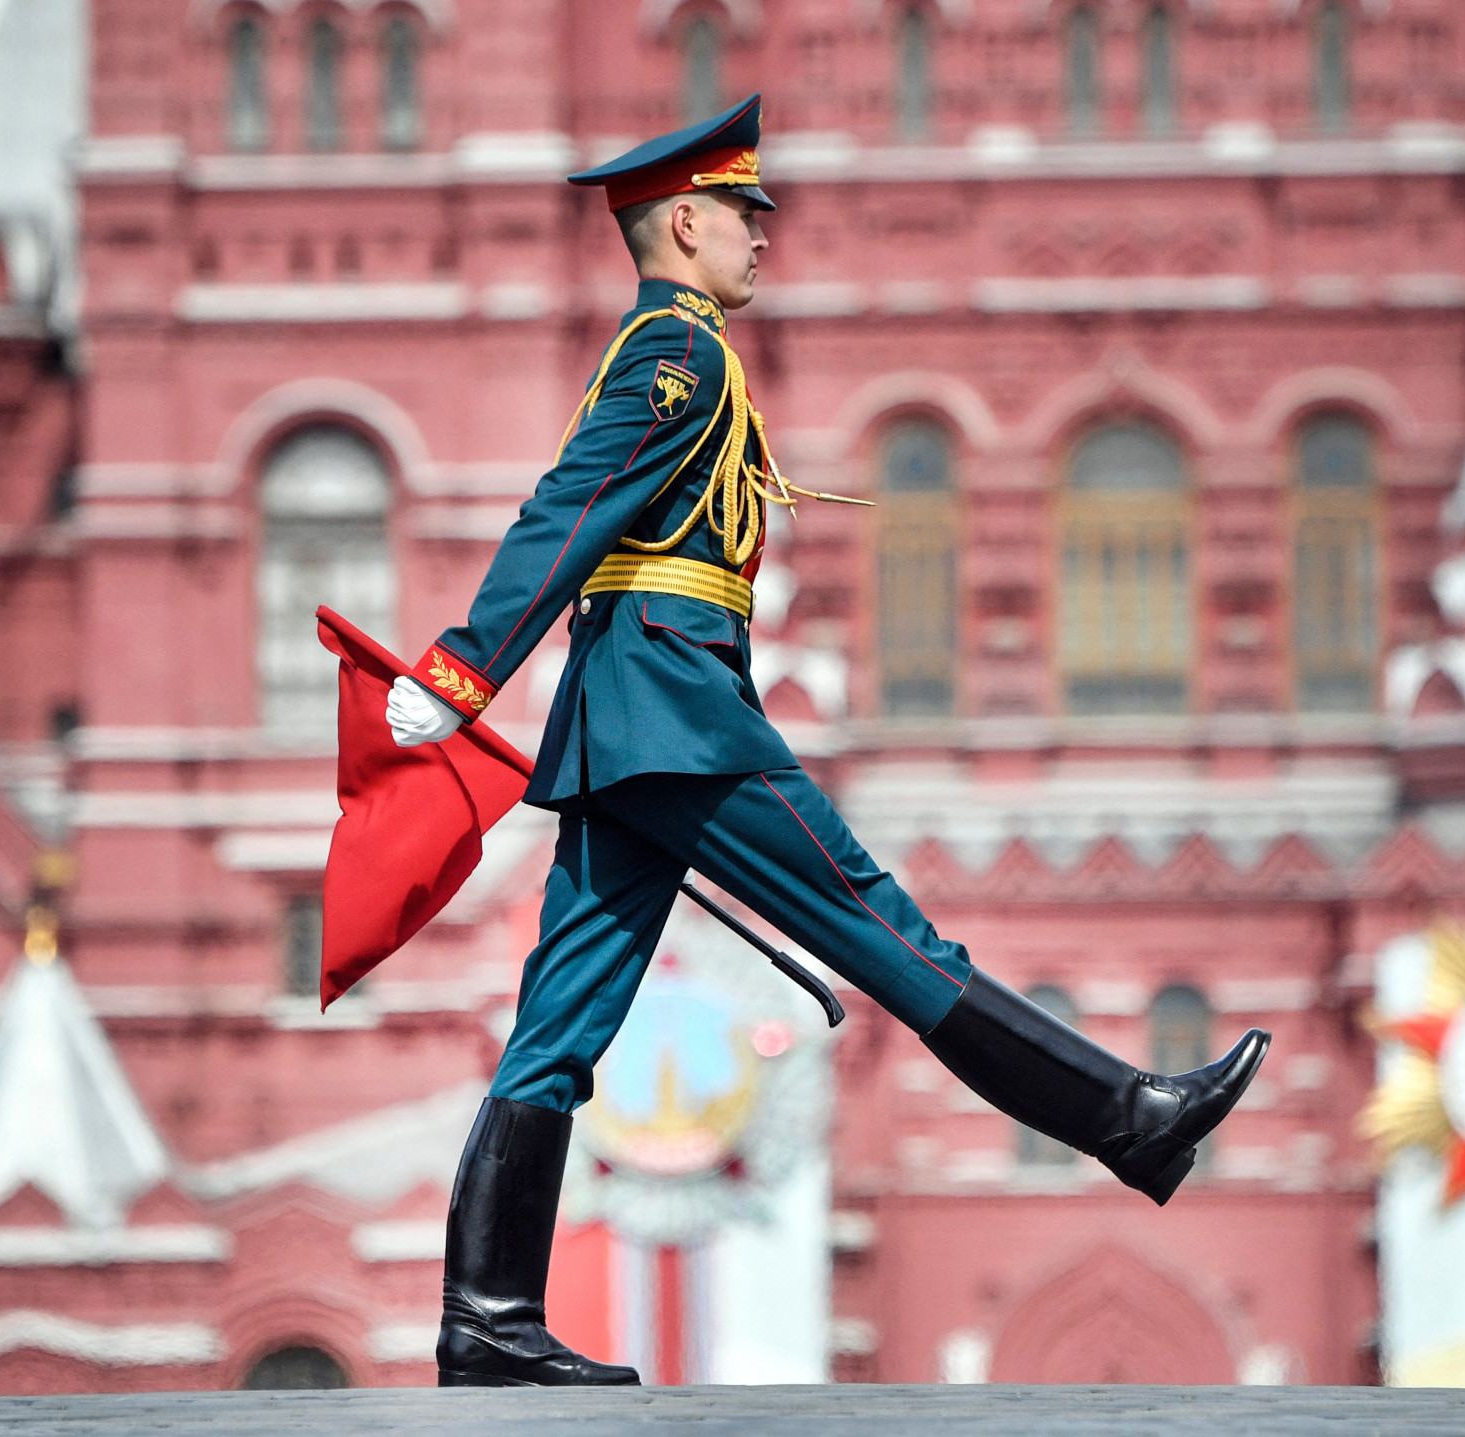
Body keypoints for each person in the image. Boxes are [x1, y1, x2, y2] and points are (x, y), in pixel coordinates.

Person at [389, 95, 1271, 1389]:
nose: (763, 238)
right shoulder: (670, 357)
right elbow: (572, 504)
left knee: (555, 1025)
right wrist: (465, 668)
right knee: (886, 930)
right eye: (746, 216)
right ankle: (1126, 1119)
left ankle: (486, 1317)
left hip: (634, 718)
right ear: (682, 222)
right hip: (680, 722)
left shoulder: (681, 348)